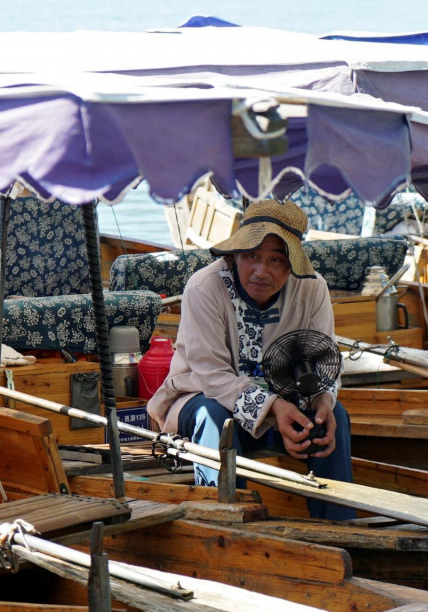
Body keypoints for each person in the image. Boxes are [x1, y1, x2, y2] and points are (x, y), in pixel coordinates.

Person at [146, 199, 355, 520]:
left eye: (275, 260)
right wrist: (275, 407)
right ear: (235, 255)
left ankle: (340, 526)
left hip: (284, 404)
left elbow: (323, 360)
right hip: (196, 400)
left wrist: (323, 400)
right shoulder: (204, 286)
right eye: (252, 256)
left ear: (291, 265)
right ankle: (226, 521)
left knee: (332, 415)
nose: (261, 271)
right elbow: (212, 376)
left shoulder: (313, 288)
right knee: (215, 417)